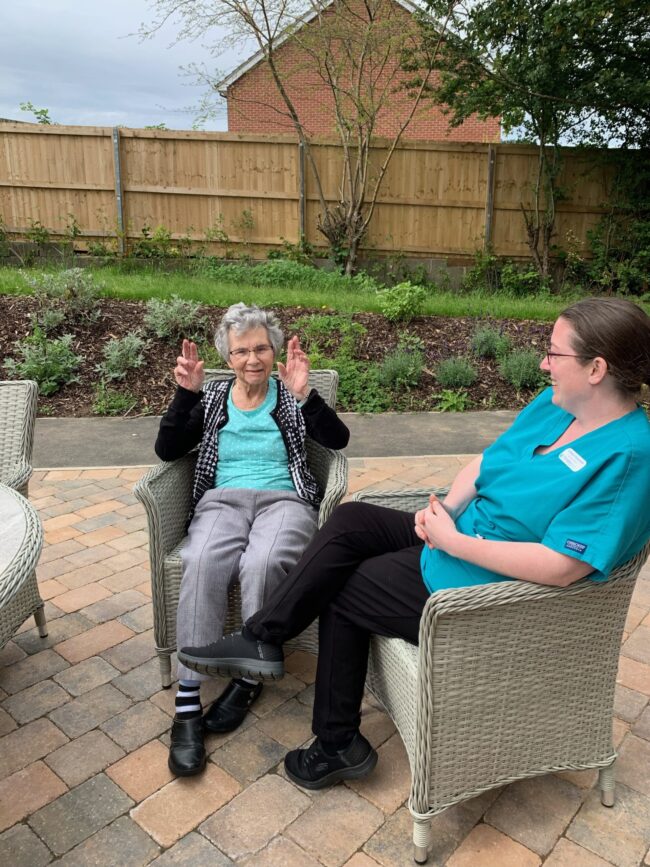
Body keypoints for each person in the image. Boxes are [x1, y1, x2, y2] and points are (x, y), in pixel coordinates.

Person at [178, 296, 650, 790]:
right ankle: (263, 636)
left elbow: (561, 567)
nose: (542, 362)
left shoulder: (628, 455)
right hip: (460, 536)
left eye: (554, 354)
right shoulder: (555, 407)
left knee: (342, 587)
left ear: (596, 368)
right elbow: (488, 462)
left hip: (485, 583)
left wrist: (453, 541)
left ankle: (336, 743)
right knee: (351, 520)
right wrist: (447, 509)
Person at [155, 302, 349, 776]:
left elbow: (339, 440)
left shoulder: (290, 396)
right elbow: (167, 450)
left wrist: (307, 398)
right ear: (228, 356)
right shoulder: (215, 396)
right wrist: (186, 396)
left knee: (263, 562)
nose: (253, 359)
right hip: (221, 500)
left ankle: (247, 677)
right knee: (200, 560)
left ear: (274, 350)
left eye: (261, 347)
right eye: (241, 351)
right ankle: (186, 705)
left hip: (285, 501)